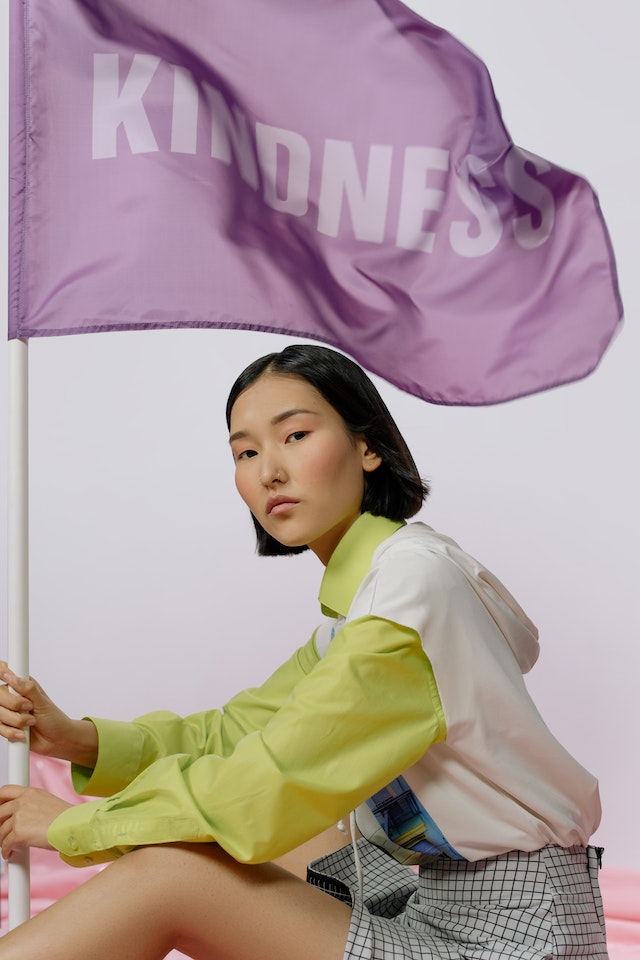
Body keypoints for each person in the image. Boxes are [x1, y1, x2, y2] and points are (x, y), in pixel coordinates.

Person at [0, 344, 608, 959]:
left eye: (294, 435)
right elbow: (236, 735)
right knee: (235, 840)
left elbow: (269, 783)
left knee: (174, 870)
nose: (269, 471)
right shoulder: (363, 606)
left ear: (368, 447)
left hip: (515, 937)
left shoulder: (410, 592)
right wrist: (78, 739)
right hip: (432, 896)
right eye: (246, 451)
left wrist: (67, 825)